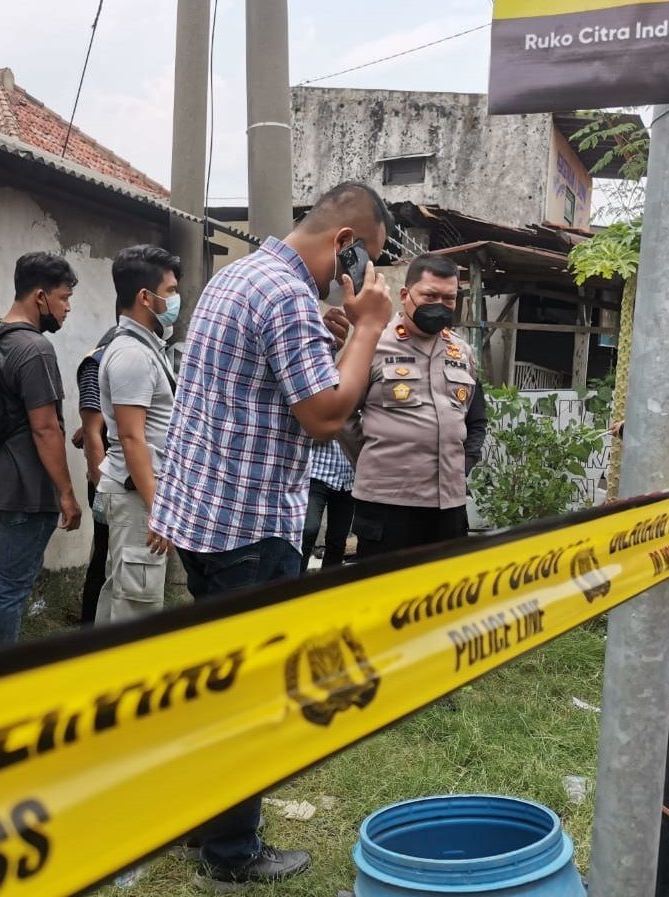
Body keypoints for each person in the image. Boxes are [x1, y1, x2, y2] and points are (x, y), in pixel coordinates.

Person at [149, 181, 395, 888]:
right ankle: (231, 852)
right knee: (251, 699)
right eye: (363, 264)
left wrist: (339, 340)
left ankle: (206, 817)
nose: (358, 283)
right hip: (252, 527)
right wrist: (371, 329)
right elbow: (323, 416)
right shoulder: (286, 296)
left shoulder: (239, 277)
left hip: (205, 520)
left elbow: (269, 389)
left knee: (214, 686)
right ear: (344, 245)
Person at [0, 252, 82, 649]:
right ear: (40, 297)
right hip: (25, 488)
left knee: (9, 579)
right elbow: (45, 427)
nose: (67, 307)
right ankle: (1, 681)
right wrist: (67, 492)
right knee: (12, 587)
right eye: (64, 297)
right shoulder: (34, 349)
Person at [345, 253, 487, 558]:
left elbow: (476, 420)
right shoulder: (374, 343)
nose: (440, 304)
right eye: (430, 295)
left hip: (448, 506)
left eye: (449, 298)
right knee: (384, 599)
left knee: (444, 600)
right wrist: (373, 456)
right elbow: (344, 414)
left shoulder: (461, 351)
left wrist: (463, 465)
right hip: (387, 505)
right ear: (405, 295)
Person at [95, 245, 181, 623]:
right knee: (137, 607)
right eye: (172, 290)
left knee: (123, 595)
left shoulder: (147, 348)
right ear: (146, 297)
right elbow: (133, 438)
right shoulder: (132, 354)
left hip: (138, 493)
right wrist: (158, 510)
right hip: (137, 496)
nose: (176, 299)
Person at [73, 325, 119, 626]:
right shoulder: (98, 363)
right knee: (104, 557)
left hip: (116, 477)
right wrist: (101, 486)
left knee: (114, 559)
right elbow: (92, 429)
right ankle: (90, 628)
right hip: (108, 480)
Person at [301, 440, 356, 572]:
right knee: (308, 530)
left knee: (338, 540)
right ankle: (296, 583)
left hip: (348, 480)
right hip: (318, 473)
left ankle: (329, 586)